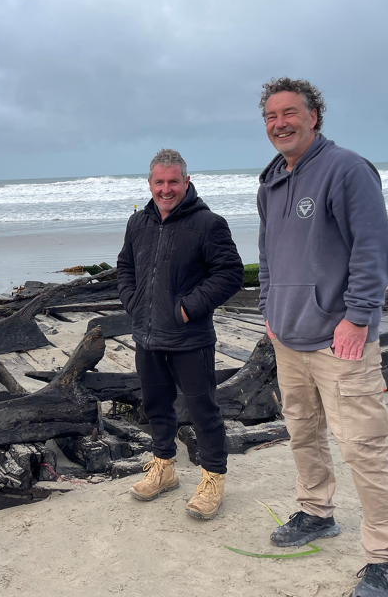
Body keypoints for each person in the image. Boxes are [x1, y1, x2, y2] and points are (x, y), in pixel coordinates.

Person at [257, 78, 388, 597]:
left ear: (314, 115)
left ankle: (384, 559)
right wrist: (268, 307)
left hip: (340, 341)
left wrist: (358, 316)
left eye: (290, 112)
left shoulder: (347, 169)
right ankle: (317, 512)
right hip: (288, 337)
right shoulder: (271, 179)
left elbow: (374, 250)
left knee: (363, 446)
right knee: (303, 432)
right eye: (271, 115)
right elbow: (269, 256)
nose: (280, 123)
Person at [116, 148, 243, 520]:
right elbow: (125, 267)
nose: (166, 189)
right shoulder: (137, 222)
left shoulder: (208, 224)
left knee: (203, 411)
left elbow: (230, 274)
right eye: (160, 182)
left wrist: (188, 308)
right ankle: (164, 468)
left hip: (190, 338)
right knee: (156, 406)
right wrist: (132, 301)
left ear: (186, 182)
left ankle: (213, 478)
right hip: (146, 334)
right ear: (150, 183)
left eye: (174, 181)